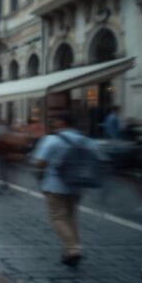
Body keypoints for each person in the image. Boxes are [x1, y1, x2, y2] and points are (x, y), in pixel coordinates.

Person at [32, 112, 104, 267]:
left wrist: (41, 172)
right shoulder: (84, 139)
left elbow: (39, 162)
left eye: (55, 121)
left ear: (62, 122)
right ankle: (70, 249)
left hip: (54, 184)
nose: (53, 124)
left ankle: (72, 249)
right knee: (70, 218)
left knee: (58, 217)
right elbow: (98, 158)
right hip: (76, 184)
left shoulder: (52, 139)